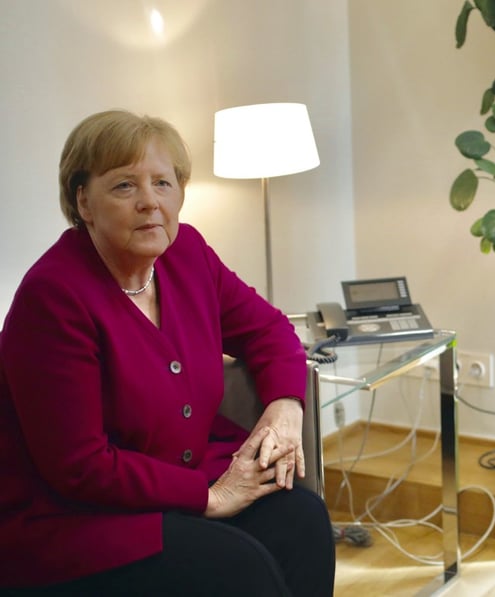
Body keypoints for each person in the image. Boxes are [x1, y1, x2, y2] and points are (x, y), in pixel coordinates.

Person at [0, 110, 335, 596]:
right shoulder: (53, 297)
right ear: (83, 201)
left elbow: (269, 329)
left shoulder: (187, 254)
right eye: (124, 186)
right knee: (239, 570)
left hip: (184, 474)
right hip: (77, 516)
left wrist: (285, 408)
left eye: (163, 182)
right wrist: (209, 496)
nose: (149, 203)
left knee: (302, 519)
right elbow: (80, 468)